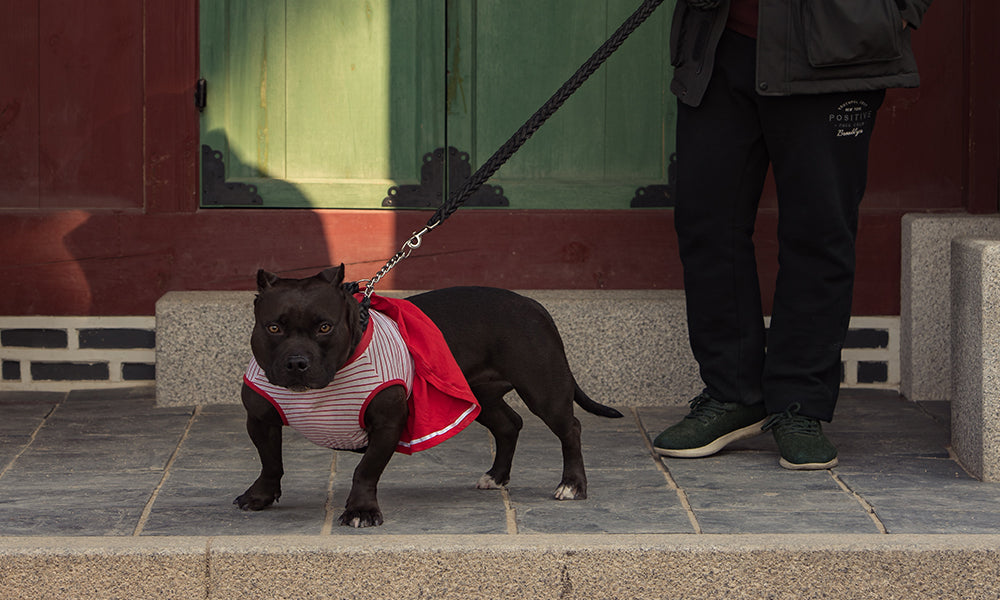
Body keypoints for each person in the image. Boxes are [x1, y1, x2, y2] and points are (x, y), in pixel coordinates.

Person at [653, 0, 933, 469]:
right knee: (708, 225)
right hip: (720, 44)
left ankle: (798, 405)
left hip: (834, 53)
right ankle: (732, 392)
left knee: (818, 233)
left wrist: (900, 9)